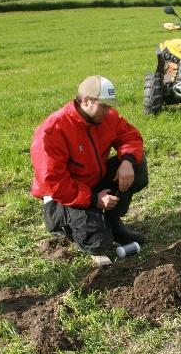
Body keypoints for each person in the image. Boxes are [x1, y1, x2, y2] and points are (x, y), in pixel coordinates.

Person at [31, 75, 148, 257]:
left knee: (137, 165)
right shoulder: (54, 129)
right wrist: (94, 199)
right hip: (62, 198)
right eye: (104, 105)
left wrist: (127, 161)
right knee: (99, 243)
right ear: (86, 101)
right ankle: (63, 225)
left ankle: (111, 221)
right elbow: (54, 182)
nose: (108, 110)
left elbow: (130, 137)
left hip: (92, 182)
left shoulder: (107, 117)